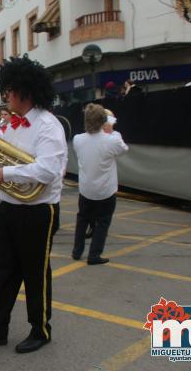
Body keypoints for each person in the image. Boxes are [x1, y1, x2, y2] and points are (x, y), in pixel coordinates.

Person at [0, 56, 67, 354]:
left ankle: (41, 329)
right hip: (8, 205)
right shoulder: (11, 126)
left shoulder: (48, 125)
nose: (5, 94)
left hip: (38, 210)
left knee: (35, 272)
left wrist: (4, 172)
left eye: (10, 89)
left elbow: (47, 170)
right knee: (3, 270)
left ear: (26, 91)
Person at [72, 104, 128, 265]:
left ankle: (77, 251)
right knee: (102, 222)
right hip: (105, 191)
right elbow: (124, 148)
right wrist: (112, 131)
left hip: (86, 189)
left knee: (82, 219)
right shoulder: (112, 140)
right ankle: (94, 255)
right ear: (104, 121)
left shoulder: (78, 140)